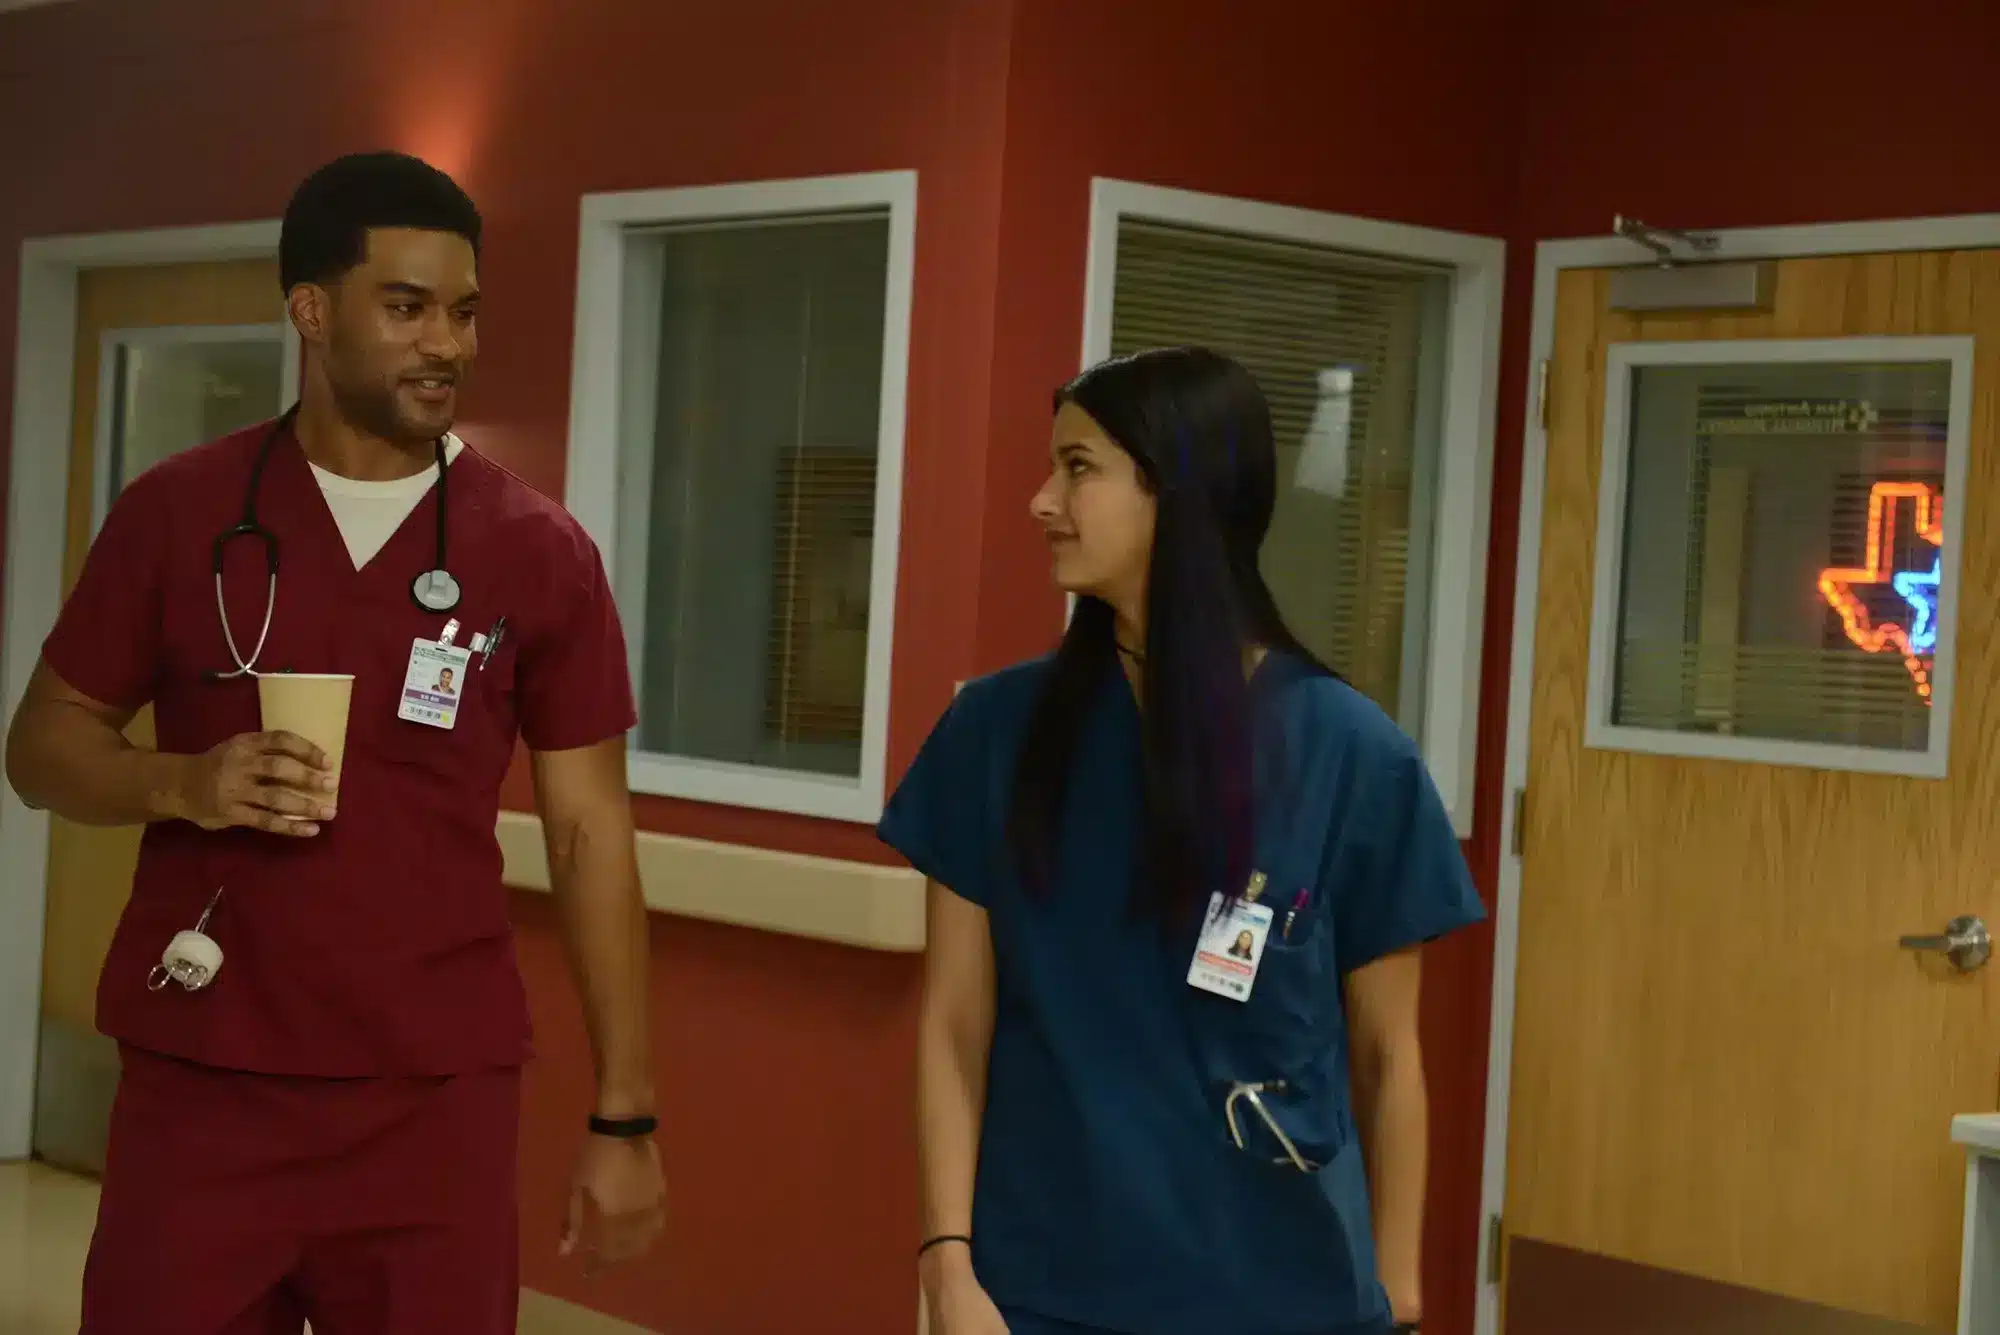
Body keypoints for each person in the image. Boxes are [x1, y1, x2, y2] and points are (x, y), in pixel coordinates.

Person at [4, 151, 665, 1334]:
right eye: (405, 307)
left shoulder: (536, 552)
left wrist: (625, 1111)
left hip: (431, 1102)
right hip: (205, 1081)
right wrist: (184, 782)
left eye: (463, 311)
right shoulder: (179, 513)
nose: (446, 344)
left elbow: (588, 830)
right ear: (311, 311)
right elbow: (42, 745)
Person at [881, 348, 1485, 1335]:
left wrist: (1398, 1292)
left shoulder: (1351, 756)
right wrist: (947, 1262)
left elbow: (1386, 1054)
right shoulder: (995, 736)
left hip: (1285, 1296)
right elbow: (953, 1026)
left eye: (1078, 468)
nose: (1041, 501)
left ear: (1179, 490)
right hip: (1042, 1289)